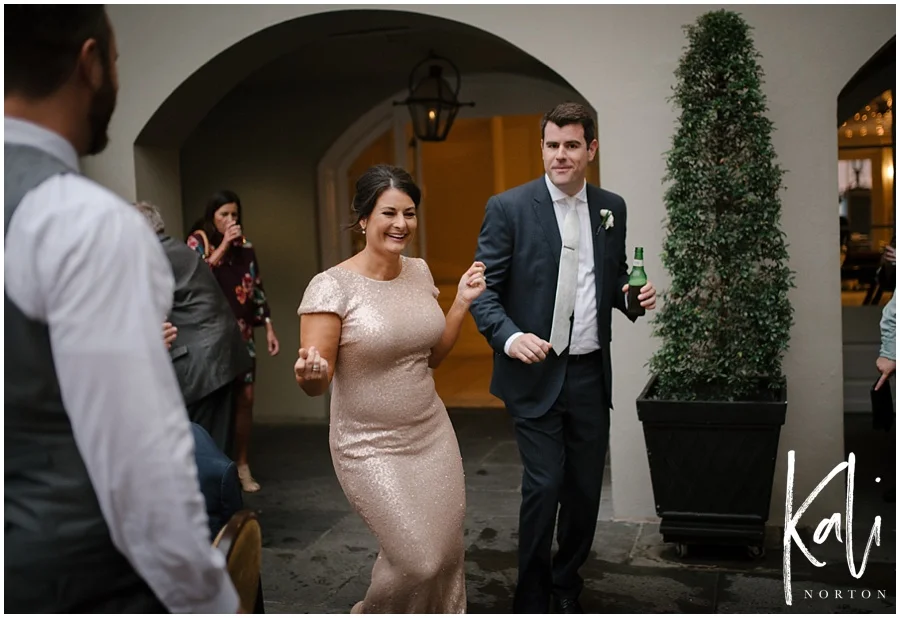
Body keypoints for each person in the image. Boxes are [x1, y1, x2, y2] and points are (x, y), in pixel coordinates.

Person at [4, 5, 238, 612]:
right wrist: (212, 601)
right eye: (116, 59)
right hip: (71, 582)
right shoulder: (82, 222)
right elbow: (144, 466)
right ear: (90, 63)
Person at [470, 102, 657, 614]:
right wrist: (509, 338)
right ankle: (530, 594)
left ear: (590, 150)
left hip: (590, 374)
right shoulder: (508, 208)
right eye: (552, 145)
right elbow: (484, 294)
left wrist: (630, 297)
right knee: (545, 483)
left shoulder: (610, 207)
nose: (560, 155)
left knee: (582, 491)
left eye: (571, 145)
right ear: (543, 148)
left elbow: (613, 279)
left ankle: (566, 581)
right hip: (534, 373)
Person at [294, 164, 486, 613]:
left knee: (447, 553)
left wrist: (460, 302)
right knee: (418, 560)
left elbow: (431, 356)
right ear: (363, 218)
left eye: (410, 213)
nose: (402, 224)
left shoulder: (418, 273)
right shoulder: (332, 287)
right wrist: (310, 376)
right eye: (389, 212)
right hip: (368, 444)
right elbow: (316, 380)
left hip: (431, 432)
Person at [134, 200, 253, 454]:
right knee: (215, 444)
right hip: (219, 352)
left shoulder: (152, 255)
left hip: (201, 359)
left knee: (200, 448)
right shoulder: (176, 248)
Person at [187, 190, 280, 492]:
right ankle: (214, 467)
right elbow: (194, 275)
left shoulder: (246, 248)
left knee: (246, 397)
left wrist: (267, 326)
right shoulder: (199, 240)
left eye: (234, 215)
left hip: (242, 333)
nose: (230, 220)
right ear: (212, 215)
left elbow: (256, 288)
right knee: (217, 400)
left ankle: (242, 464)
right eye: (224, 214)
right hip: (209, 336)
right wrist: (224, 245)